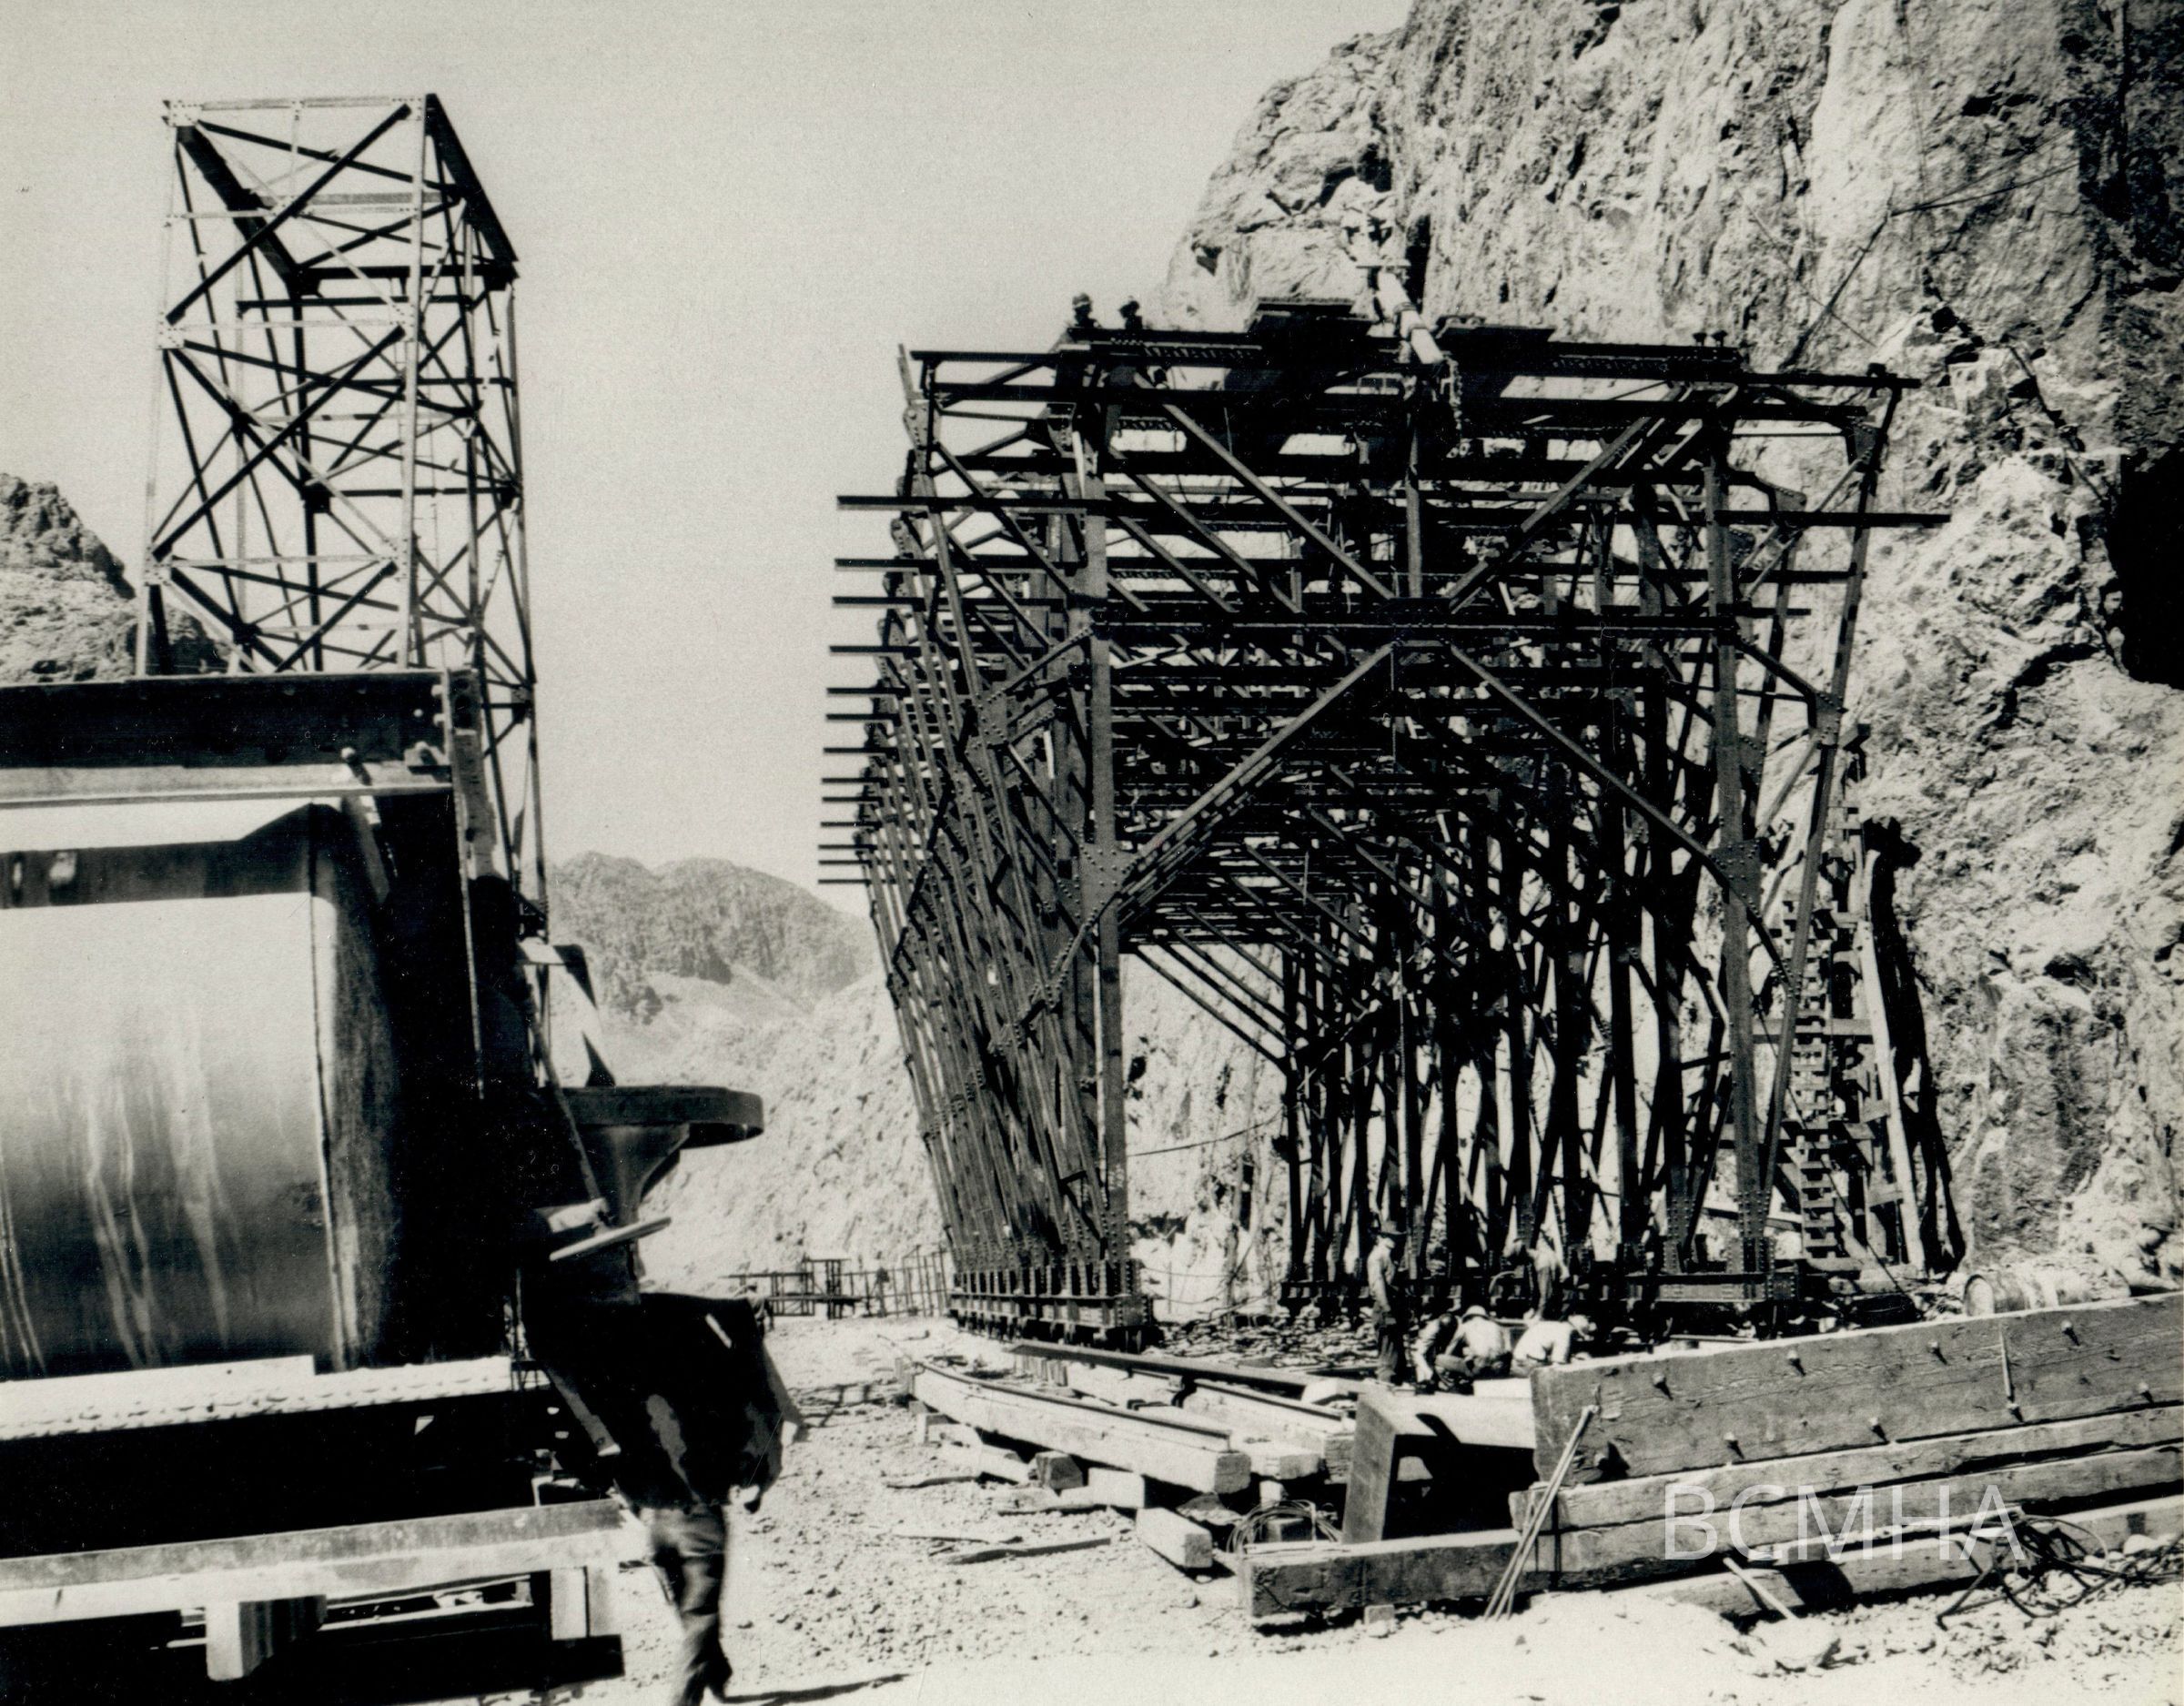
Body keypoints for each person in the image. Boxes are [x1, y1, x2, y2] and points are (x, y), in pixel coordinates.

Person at [1414, 1304, 1513, 1391]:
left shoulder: (1465, 1327)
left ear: (1468, 1317)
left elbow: (1451, 1351)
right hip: (1499, 1368)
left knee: (1440, 1359)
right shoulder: (1499, 1327)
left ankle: (1452, 1386)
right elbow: (1509, 1351)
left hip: (1479, 1369)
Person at [1365, 1224, 1410, 1385]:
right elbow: (1378, 1285)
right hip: (1385, 1308)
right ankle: (1386, 1385)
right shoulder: (1378, 1256)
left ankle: (1397, 1384)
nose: (1395, 1241)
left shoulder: (1388, 1256)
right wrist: (1388, 1311)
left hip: (1392, 1307)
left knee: (1396, 1350)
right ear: (1381, 1237)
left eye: (1397, 1237)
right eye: (1392, 1237)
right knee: (1388, 1350)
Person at [1512, 1311, 1593, 1368]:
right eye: (1577, 1336)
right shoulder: (1564, 1335)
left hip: (1518, 1360)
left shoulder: (1555, 1325)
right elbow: (1558, 1364)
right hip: (1527, 1364)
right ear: (1574, 1331)